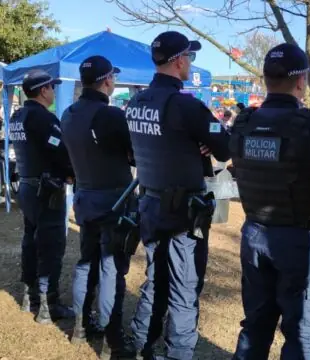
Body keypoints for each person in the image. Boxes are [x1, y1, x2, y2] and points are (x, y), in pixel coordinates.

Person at [228, 43, 310, 359]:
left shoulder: (244, 122)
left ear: (267, 79)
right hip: (296, 237)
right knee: (300, 333)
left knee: (255, 325)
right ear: (301, 81)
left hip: (254, 232)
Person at [123, 31, 231, 360]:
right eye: (190, 58)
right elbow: (224, 148)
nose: (191, 64)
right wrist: (199, 142)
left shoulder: (136, 102)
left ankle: (140, 344)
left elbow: (134, 154)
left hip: (151, 203)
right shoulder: (186, 104)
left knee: (156, 279)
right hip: (184, 211)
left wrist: (188, 143)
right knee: (184, 290)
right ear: (180, 61)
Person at [60, 56, 136, 358]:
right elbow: (133, 154)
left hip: (84, 196)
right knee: (111, 269)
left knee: (86, 262)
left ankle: (80, 326)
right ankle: (111, 339)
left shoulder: (68, 113)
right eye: (113, 78)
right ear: (107, 81)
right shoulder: (110, 115)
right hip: (113, 199)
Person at [7, 69, 75, 324]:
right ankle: (48, 305)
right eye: (52, 88)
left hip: (27, 186)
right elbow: (61, 150)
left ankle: (30, 296)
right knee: (51, 247)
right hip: (46, 190)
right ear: (44, 90)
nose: (54, 92)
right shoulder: (43, 118)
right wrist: (71, 173)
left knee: (30, 242)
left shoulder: (18, 116)